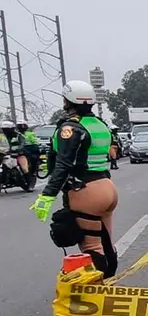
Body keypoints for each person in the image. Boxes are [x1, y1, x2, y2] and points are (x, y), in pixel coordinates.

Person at [29, 81, 119, 278]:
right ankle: (109, 282)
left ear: (67, 101)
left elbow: (64, 164)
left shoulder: (71, 127)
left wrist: (47, 196)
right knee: (106, 243)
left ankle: (95, 294)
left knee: (92, 246)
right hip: (106, 186)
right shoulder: (100, 124)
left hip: (86, 190)